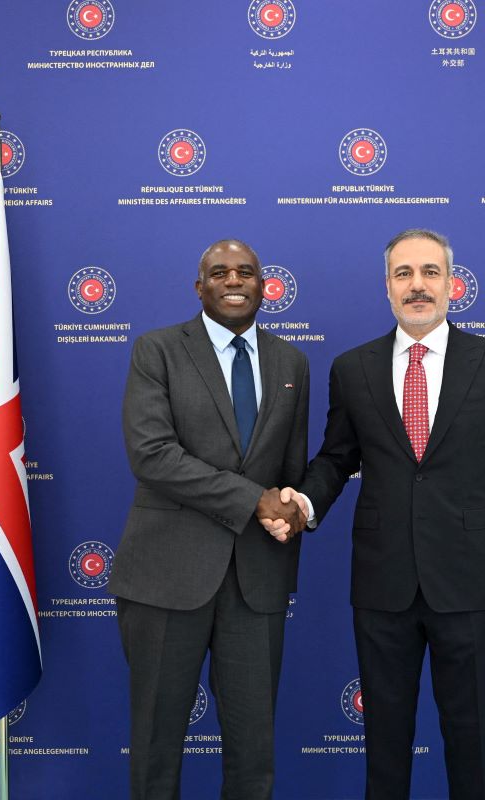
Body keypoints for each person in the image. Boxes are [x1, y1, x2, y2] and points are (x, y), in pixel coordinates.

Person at [266, 229, 485, 799]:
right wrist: (303, 503)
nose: (418, 285)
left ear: (452, 284)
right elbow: (336, 458)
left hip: (470, 582)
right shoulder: (352, 368)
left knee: (470, 738)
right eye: (404, 274)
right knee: (385, 743)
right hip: (382, 582)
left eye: (430, 272)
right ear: (387, 288)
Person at [110, 239, 310, 800]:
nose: (234, 280)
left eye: (246, 271)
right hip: (166, 577)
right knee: (156, 746)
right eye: (220, 273)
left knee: (254, 754)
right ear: (199, 288)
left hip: (256, 580)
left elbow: (289, 470)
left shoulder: (292, 362)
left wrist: (291, 509)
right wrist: (254, 500)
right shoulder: (157, 350)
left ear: (264, 286)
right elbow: (152, 455)